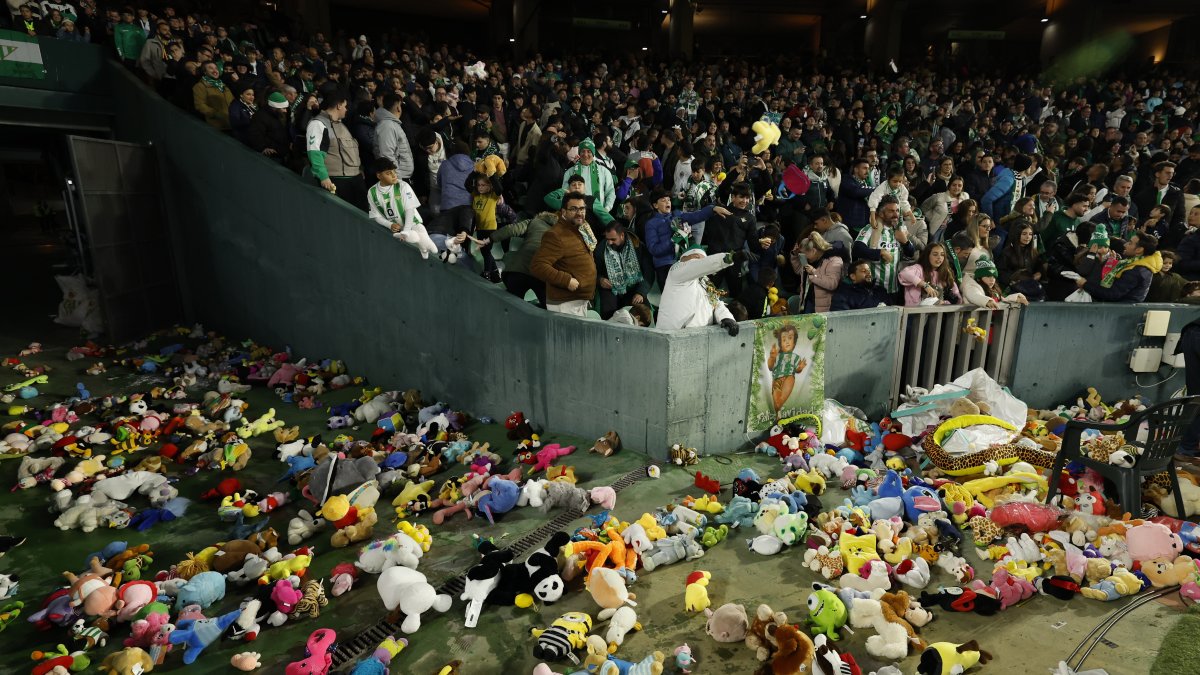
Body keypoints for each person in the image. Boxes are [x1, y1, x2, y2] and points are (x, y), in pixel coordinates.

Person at [644, 187, 729, 291]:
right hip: (665, 266)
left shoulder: (677, 215)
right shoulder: (651, 224)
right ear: (655, 205)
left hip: (683, 262)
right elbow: (654, 249)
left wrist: (713, 209)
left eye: (669, 199)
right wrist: (674, 240)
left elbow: (696, 216)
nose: (668, 202)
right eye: (663, 200)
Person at [530, 192, 598, 316]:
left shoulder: (580, 229)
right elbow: (537, 266)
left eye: (582, 208)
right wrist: (566, 280)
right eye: (573, 209)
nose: (579, 213)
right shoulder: (556, 235)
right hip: (565, 303)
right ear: (563, 212)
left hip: (578, 301)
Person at [656, 246, 743, 334]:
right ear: (683, 258)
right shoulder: (676, 271)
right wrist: (728, 258)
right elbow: (699, 266)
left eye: (702, 258)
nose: (698, 260)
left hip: (700, 338)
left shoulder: (706, 283)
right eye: (696, 257)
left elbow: (716, 304)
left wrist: (726, 317)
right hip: (671, 336)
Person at [366, 157, 438, 260]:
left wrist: (407, 230)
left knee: (423, 237)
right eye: (388, 173)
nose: (394, 175)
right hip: (397, 231)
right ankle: (417, 242)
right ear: (379, 175)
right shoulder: (372, 192)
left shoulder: (403, 186)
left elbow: (410, 210)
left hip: (412, 224)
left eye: (394, 171)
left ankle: (417, 241)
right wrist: (389, 224)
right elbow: (376, 216)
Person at [306, 93, 366, 210]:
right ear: (338, 106)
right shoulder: (317, 124)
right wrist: (323, 177)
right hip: (337, 181)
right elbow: (315, 153)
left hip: (354, 179)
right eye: (345, 106)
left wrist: (358, 170)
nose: (346, 109)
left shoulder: (341, 125)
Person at [486, 210, 556, 308]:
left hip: (517, 270)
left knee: (512, 307)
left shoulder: (533, 221)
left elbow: (511, 229)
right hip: (540, 273)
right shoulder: (561, 231)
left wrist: (490, 239)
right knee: (549, 308)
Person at [853, 196, 914, 295]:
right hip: (873, 289)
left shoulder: (900, 229)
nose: (896, 214)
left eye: (897, 211)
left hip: (894, 289)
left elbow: (910, 253)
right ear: (881, 214)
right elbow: (857, 249)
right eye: (891, 211)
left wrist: (905, 242)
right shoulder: (871, 228)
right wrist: (880, 252)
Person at [703, 182, 755, 296]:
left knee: (737, 294)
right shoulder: (719, 211)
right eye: (741, 197)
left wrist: (761, 243)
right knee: (707, 294)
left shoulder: (750, 218)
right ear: (733, 197)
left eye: (747, 198)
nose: (745, 201)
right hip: (715, 258)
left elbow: (753, 243)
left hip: (734, 260)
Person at [1078, 234, 1162, 303]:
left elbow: (1112, 294)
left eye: (1130, 243)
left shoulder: (1135, 271)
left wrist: (1085, 284)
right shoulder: (1134, 263)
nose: (1125, 244)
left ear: (1139, 250)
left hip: (1118, 315)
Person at [594, 221, 651, 320]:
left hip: (634, 288)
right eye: (607, 239)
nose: (610, 242)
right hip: (611, 289)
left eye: (613, 239)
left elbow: (648, 272)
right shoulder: (601, 249)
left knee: (642, 314)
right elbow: (593, 271)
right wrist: (600, 280)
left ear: (622, 235)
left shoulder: (638, 246)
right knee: (608, 314)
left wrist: (641, 292)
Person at [468, 171, 516, 281]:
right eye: (478, 185)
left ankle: (487, 273)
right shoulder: (476, 195)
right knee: (486, 252)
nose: (480, 187)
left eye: (483, 185)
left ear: (489, 186)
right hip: (480, 227)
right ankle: (495, 274)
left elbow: (499, 188)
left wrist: (491, 175)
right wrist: (474, 173)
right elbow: (467, 185)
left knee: (485, 250)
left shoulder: (492, 196)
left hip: (490, 227)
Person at [1134, 161, 1186, 246]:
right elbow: (1139, 215)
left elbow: (1180, 216)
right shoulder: (1143, 194)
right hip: (1146, 237)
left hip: (1167, 238)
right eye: (1167, 173)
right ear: (1157, 174)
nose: (1170, 176)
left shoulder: (1176, 193)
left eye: (1172, 173)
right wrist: (1147, 223)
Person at [791, 232, 845, 313]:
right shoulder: (809, 260)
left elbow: (832, 283)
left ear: (813, 251)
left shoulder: (834, 260)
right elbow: (798, 270)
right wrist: (795, 256)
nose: (804, 258)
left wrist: (814, 272)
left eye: (804, 255)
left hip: (824, 307)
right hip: (807, 302)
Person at [899, 242, 960, 306]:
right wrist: (925, 285)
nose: (939, 257)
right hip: (914, 313)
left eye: (942, 255)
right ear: (927, 255)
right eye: (935, 254)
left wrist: (944, 303)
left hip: (938, 313)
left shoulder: (946, 273)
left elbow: (957, 297)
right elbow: (904, 274)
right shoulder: (918, 268)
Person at [562, 138, 615, 212]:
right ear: (579, 153)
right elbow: (564, 193)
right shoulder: (570, 172)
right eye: (583, 151)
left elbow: (610, 192)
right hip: (576, 213)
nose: (585, 154)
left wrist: (607, 208)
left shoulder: (604, 171)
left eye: (589, 151)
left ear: (593, 154)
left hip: (598, 213)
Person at [768, 322, 808, 416]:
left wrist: (800, 368)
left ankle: (782, 415)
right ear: (780, 344)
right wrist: (772, 357)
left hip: (789, 378)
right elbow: (770, 367)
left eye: (790, 338)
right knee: (776, 405)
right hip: (776, 379)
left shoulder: (796, 357)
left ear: (794, 343)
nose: (787, 341)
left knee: (781, 399)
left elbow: (797, 370)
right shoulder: (777, 356)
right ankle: (779, 416)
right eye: (784, 339)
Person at [375, 93, 414, 182]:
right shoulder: (387, 126)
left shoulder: (391, 124)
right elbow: (387, 155)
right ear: (398, 108)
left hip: (400, 176)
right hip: (398, 178)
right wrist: (396, 178)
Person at [961, 258, 1029, 308]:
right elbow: (974, 295)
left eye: (994, 277)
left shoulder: (994, 290)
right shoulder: (971, 286)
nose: (992, 279)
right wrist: (987, 301)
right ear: (979, 278)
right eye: (988, 276)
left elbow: (1002, 301)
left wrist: (1016, 298)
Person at [246, 91, 291, 163]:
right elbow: (254, 135)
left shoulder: (278, 115)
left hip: (281, 154)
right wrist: (263, 148)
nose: (285, 111)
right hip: (270, 157)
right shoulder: (260, 117)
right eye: (283, 108)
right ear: (275, 107)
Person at [921, 174, 968, 242]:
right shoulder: (939, 196)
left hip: (958, 230)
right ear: (949, 185)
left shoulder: (965, 197)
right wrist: (933, 218)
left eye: (959, 185)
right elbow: (924, 207)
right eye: (954, 185)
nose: (957, 188)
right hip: (939, 230)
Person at [998, 222, 1043, 289]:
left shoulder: (1033, 251)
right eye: (1024, 234)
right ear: (1017, 235)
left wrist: (1039, 273)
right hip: (1013, 287)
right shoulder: (1007, 252)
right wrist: (1013, 280)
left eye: (1030, 234)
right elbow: (1001, 272)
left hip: (1031, 286)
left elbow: (1039, 267)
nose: (1028, 237)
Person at [192, 61, 233, 131]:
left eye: (216, 68)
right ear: (204, 72)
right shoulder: (200, 86)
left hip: (231, 123)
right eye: (211, 68)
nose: (215, 70)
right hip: (218, 126)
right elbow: (200, 105)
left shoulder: (222, 84)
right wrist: (216, 114)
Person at [836, 157, 873, 233]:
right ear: (856, 169)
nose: (867, 171)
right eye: (864, 168)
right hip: (850, 225)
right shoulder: (847, 180)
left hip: (863, 224)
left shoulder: (864, 183)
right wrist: (876, 189)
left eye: (868, 169)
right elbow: (856, 191)